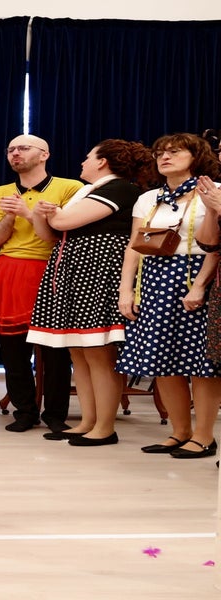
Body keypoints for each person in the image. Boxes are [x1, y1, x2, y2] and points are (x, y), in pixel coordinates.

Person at [27, 140, 153, 446]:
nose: (83, 162)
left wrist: (51, 212)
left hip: (98, 274)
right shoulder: (87, 192)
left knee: (98, 353)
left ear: (103, 162)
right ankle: (88, 420)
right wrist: (41, 215)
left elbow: (64, 221)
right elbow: (49, 234)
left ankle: (105, 426)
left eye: (88, 157)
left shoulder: (119, 188)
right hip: (75, 273)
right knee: (79, 352)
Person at [0, 135, 81, 433]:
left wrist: (28, 214)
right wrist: (9, 216)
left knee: (55, 349)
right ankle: (24, 411)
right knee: (13, 348)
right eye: (11, 149)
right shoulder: (0, 192)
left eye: (24, 148)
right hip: (10, 269)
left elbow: (60, 237)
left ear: (44, 155)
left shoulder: (70, 188)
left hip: (51, 268)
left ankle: (56, 415)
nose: (15, 153)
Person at [119, 133, 221, 459]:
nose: (165, 157)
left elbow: (216, 246)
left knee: (202, 364)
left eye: (175, 152)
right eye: (160, 152)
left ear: (196, 157)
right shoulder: (149, 198)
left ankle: (204, 436)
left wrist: (200, 285)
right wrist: (126, 290)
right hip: (154, 280)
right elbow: (135, 246)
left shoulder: (214, 192)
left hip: (197, 276)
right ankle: (179, 432)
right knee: (161, 360)